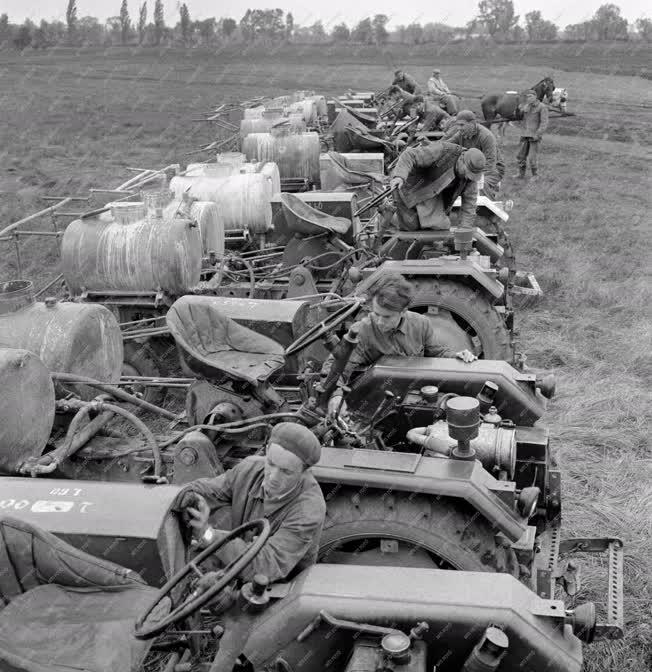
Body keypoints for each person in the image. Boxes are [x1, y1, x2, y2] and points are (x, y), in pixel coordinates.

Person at [172, 422, 326, 584]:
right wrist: (176, 494)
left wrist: (208, 534)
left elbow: (265, 567)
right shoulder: (250, 469)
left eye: (286, 472)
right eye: (271, 464)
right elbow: (210, 490)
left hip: (278, 587)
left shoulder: (308, 510)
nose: (273, 477)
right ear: (266, 452)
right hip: (240, 560)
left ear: (304, 472)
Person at [325, 274, 477, 417]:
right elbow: (335, 366)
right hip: (376, 405)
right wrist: (336, 395)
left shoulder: (421, 324)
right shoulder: (364, 330)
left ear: (403, 311)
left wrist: (455, 356)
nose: (379, 321)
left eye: (386, 317)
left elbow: (435, 353)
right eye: (376, 314)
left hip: (414, 399)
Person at [390, 142, 486, 231]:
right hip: (408, 188)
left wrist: (465, 230)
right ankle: (388, 213)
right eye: (467, 172)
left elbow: (469, 205)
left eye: (471, 175)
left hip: (433, 197)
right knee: (410, 227)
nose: (467, 177)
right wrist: (399, 176)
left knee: (439, 227)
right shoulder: (442, 151)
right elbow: (409, 154)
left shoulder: (469, 178)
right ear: (461, 159)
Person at [444, 110, 504, 199]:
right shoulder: (461, 134)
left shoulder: (486, 136)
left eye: (462, 125)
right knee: (448, 183)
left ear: (472, 123)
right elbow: (446, 145)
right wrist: (430, 146)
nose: (459, 128)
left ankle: (487, 210)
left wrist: (475, 178)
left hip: (493, 169)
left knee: (479, 186)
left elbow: (490, 163)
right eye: (458, 125)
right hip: (471, 168)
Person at [514, 89, 549, 180]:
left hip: (534, 136)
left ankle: (535, 175)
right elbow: (519, 118)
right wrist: (518, 109)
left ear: (535, 97)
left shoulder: (542, 107)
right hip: (525, 135)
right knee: (520, 156)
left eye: (530, 96)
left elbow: (544, 123)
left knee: (532, 158)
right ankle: (521, 174)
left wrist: (538, 134)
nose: (528, 98)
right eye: (527, 97)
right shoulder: (526, 106)